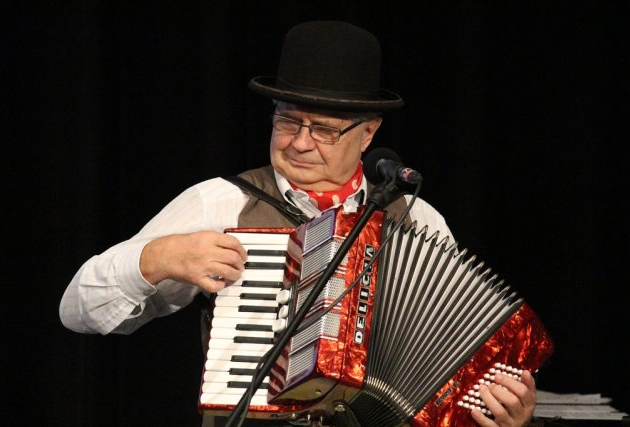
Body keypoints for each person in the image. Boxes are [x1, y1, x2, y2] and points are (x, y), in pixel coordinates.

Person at [60, 21, 537, 427]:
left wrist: (496, 411)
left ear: (369, 132)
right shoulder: (222, 202)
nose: (300, 143)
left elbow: (451, 365)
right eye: (288, 122)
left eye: (325, 129)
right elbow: (78, 311)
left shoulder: (415, 218)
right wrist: (157, 259)